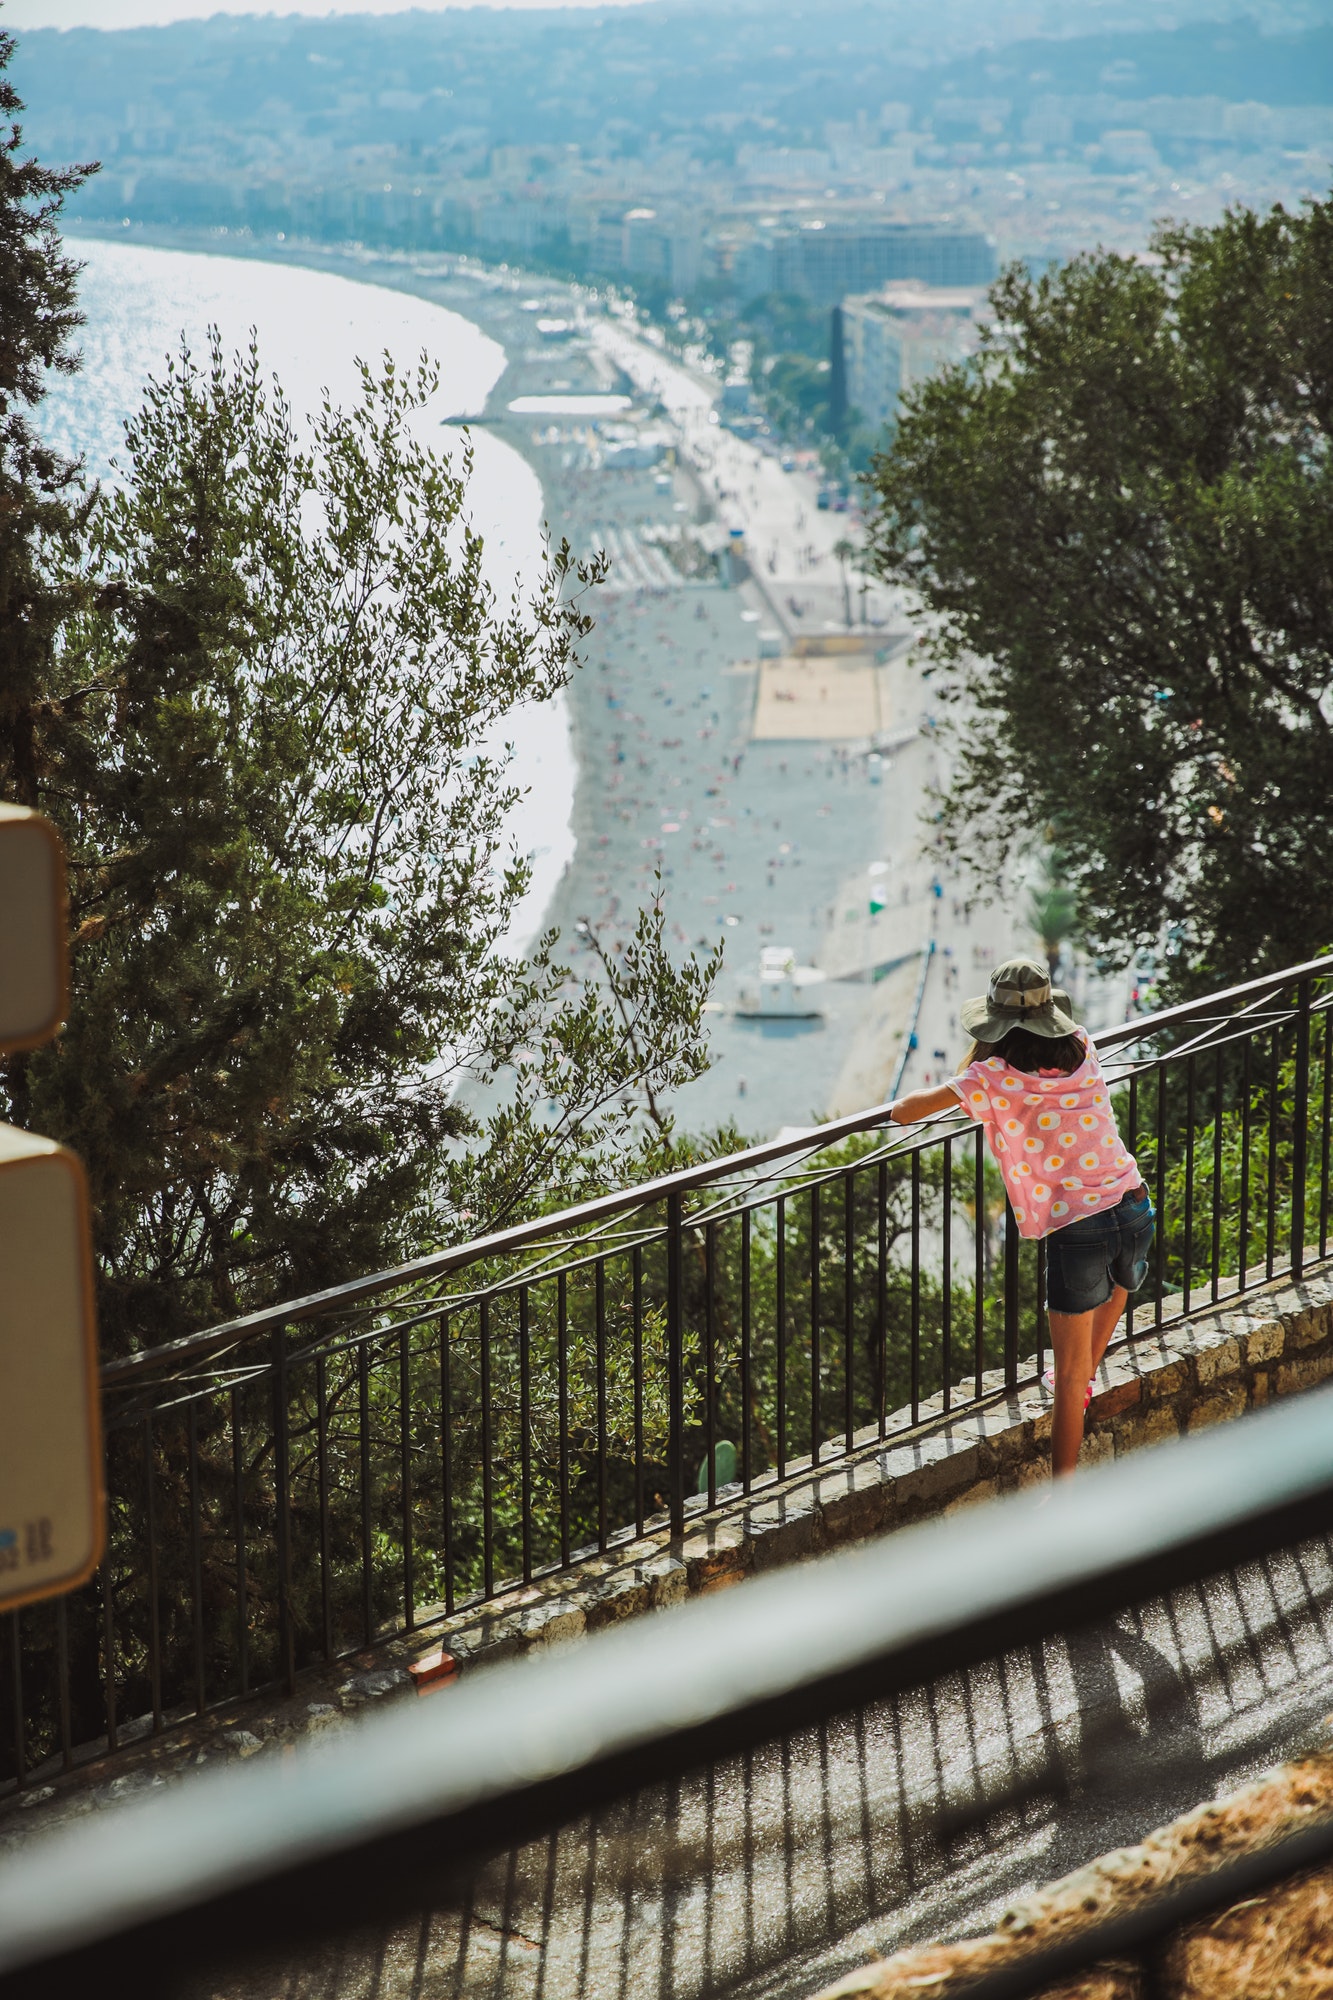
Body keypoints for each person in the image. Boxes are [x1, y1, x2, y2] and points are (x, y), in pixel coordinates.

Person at [887, 956, 1154, 1478]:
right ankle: (1087, 1375)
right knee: (1122, 1284)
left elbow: (905, 1112)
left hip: (1080, 1225)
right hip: (1134, 1200)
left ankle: (1064, 1494)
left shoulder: (992, 1076)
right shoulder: (1082, 1045)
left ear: (997, 1025)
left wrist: (964, 1075)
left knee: (1070, 1380)